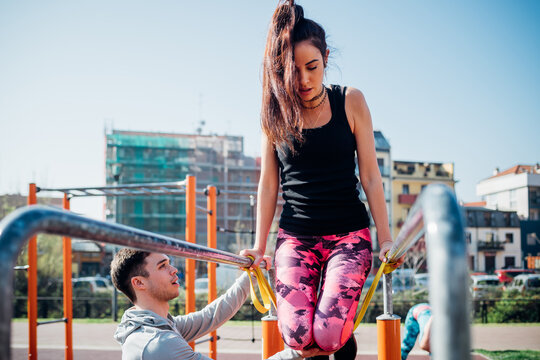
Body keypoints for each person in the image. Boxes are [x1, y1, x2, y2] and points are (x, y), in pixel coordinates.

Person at [240, 1, 405, 359]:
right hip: (296, 236)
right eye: (292, 70)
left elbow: (372, 178)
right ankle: (338, 335)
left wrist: (387, 239)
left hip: (349, 236)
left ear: (326, 58)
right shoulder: (274, 113)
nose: (303, 80)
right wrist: (258, 246)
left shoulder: (351, 101)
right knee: (298, 337)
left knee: (328, 336)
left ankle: (340, 336)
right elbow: (269, 186)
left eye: (312, 67)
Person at [110, 248, 302, 360]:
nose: (174, 270)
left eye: (170, 263)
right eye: (163, 266)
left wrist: (251, 274)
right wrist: (296, 352)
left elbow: (212, 315)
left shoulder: (154, 325)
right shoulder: (159, 344)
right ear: (139, 283)